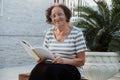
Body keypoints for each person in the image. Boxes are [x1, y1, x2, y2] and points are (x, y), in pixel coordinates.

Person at [29, 3, 88, 80]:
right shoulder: (49, 33)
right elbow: (45, 52)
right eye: (53, 16)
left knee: (50, 71)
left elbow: (81, 61)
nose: (57, 18)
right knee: (37, 69)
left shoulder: (76, 33)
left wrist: (63, 61)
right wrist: (42, 59)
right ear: (51, 19)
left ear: (66, 16)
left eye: (60, 14)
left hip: (72, 69)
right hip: (53, 66)